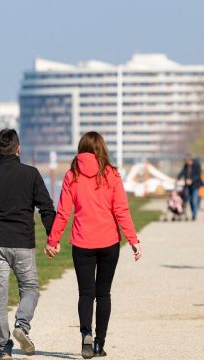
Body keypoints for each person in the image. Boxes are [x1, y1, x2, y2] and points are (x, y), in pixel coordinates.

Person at [45, 131, 141, 359]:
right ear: (102, 149)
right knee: (104, 293)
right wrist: (133, 240)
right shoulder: (112, 175)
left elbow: (64, 212)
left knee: (86, 293)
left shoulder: (72, 175)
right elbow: (121, 210)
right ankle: (99, 343)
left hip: (82, 242)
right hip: (109, 242)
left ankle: (85, 334)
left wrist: (53, 240)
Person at [0, 129, 55, 360]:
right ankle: (22, 327)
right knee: (30, 288)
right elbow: (46, 207)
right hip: (23, 242)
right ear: (18, 148)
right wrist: (52, 238)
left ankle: (4, 349)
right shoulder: (32, 174)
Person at [177, 154, 203, 220]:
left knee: (194, 200)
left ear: (189, 160)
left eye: (186, 160)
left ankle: (194, 215)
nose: (185, 162)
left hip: (195, 185)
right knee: (190, 200)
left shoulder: (196, 165)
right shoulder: (186, 166)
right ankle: (193, 213)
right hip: (188, 186)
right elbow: (182, 172)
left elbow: (198, 175)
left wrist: (191, 180)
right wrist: (178, 178)